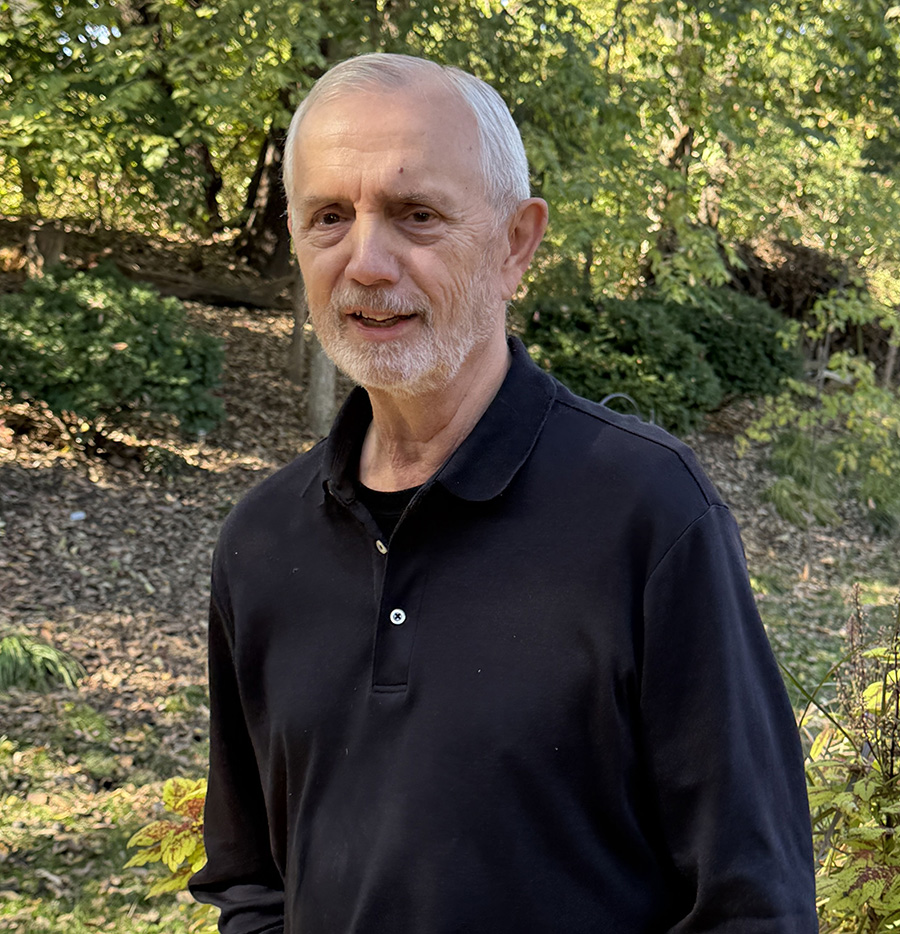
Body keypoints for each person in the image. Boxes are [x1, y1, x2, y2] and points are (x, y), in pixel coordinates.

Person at [189, 53, 817, 933]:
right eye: (329, 216)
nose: (367, 262)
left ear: (516, 243)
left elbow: (755, 905)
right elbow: (252, 884)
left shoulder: (646, 510)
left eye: (416, 215)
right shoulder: (262, 544)